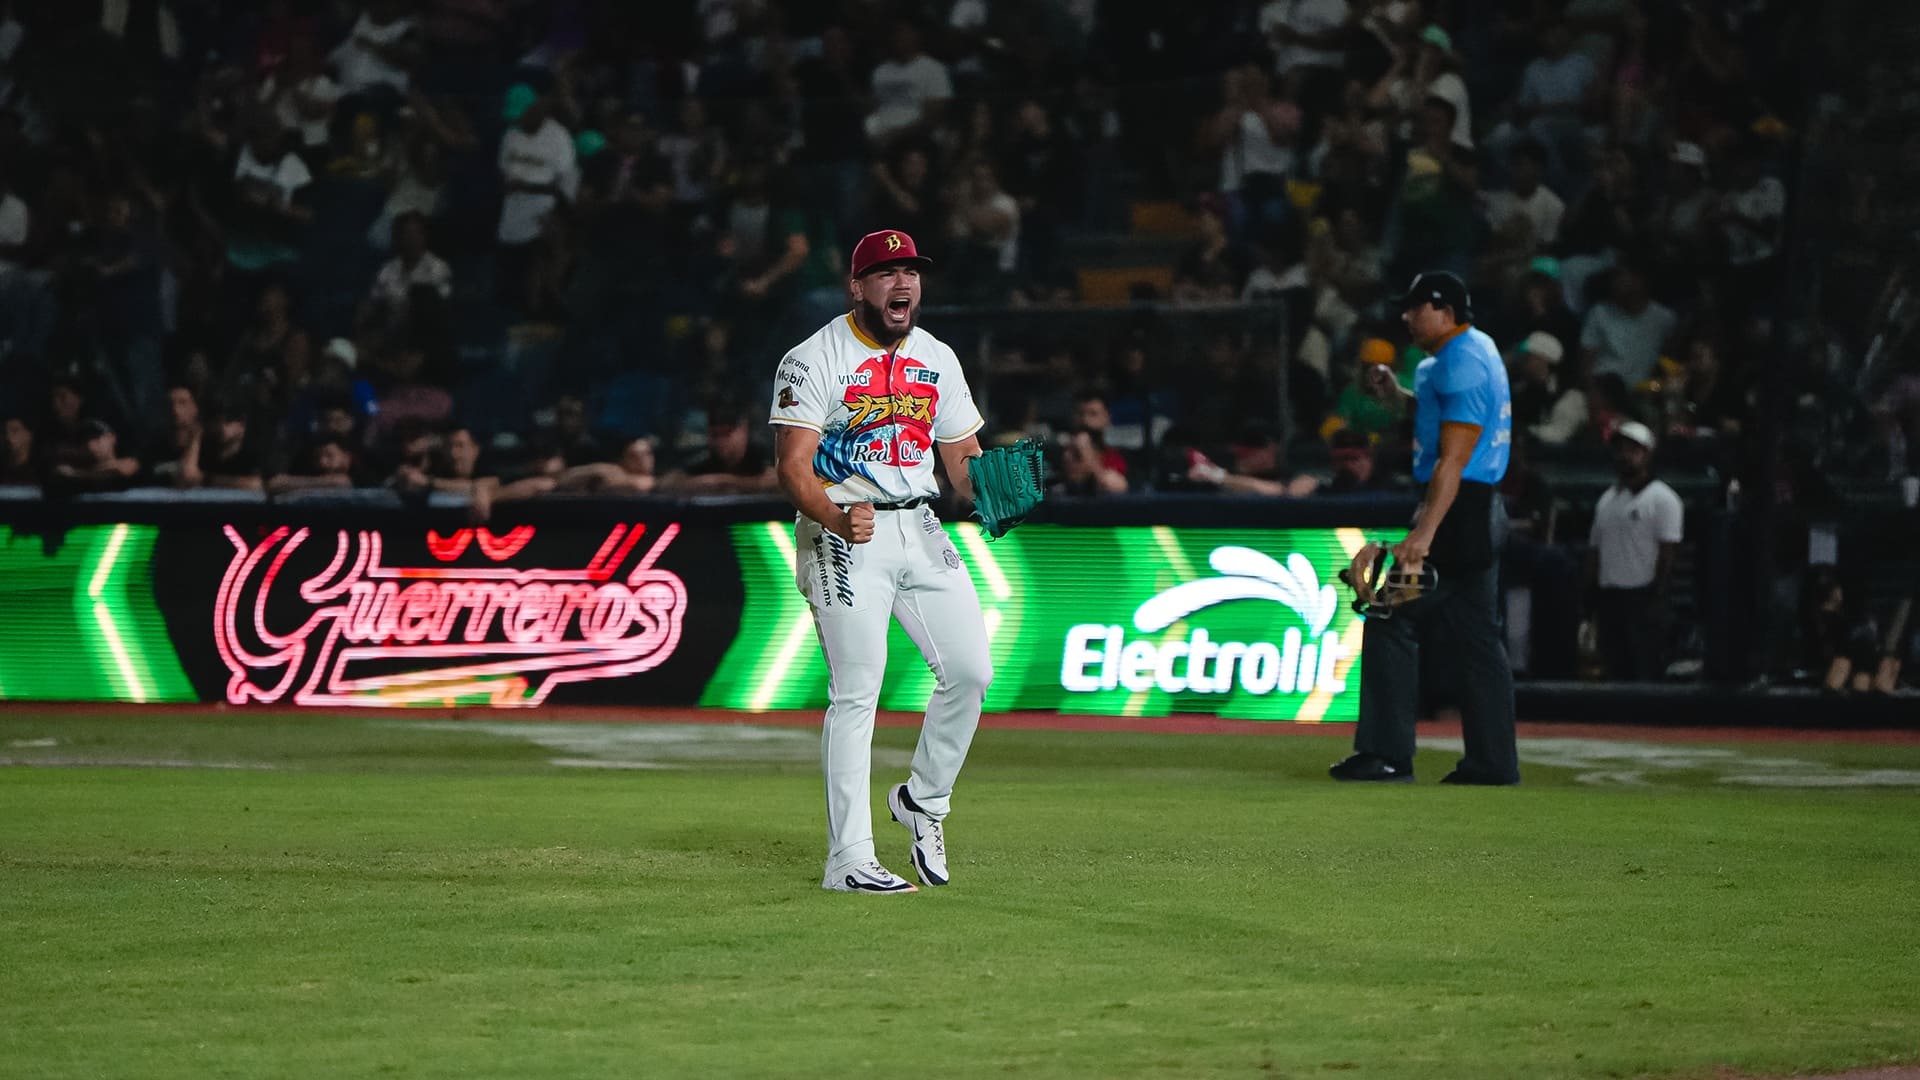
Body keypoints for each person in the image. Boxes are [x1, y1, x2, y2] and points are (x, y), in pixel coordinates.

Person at [768, 229, 991, 895]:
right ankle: (849, 859)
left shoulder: (937, 358)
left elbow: (960, 458)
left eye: (912, 272)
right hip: (841, 531)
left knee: (971, 672)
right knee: (858, 688)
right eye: (887, 273)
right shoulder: (814, 358)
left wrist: (992, 490)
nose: (903, 284)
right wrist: (835, 518)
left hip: (919, 525)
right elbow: (791, 466)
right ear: (857, 286)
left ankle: (923, 799)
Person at [1330, 271, 1520, 785]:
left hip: (1458, 509)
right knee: (1479, 639)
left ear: (1445, 309)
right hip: (1476, 507)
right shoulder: (1466, 354)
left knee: (1390, 617)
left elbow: (1453, 461)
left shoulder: (1463, 363)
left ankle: (1387, 754)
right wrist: (1403, 396)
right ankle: (1494, 762)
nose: (1406, 317)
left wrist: (1423, 535)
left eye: (1416, 307)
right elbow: (1450, 418)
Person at [1585, 420, 1683, 681]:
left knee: (1644, 669)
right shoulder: (1607, 499)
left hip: (1643, 598)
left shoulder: (1663, 499)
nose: (1625, 456)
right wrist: (1592, 592)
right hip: (1610, 596)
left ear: (1647, 454)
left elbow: (1668, 551)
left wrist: (1657, 593)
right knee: (1613, 668)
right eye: (1621, 449)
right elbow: (1595, 549)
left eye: (1633, 449)